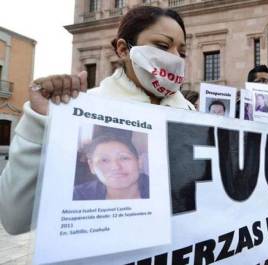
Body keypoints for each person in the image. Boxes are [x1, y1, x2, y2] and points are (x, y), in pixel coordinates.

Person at [0, 6, 194, 235]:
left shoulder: (191, 113)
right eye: (162, 46)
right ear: (123, 49)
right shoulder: (80, 110)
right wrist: (39, 123)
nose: (174, 57)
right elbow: (15, 219)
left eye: (181, 52)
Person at [74, 134, 149, 200]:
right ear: (92, 166)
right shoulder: (78, 195)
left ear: (139, 162)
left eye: (124, 158)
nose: (115, 167)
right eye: (104, 160)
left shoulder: (157, 189)